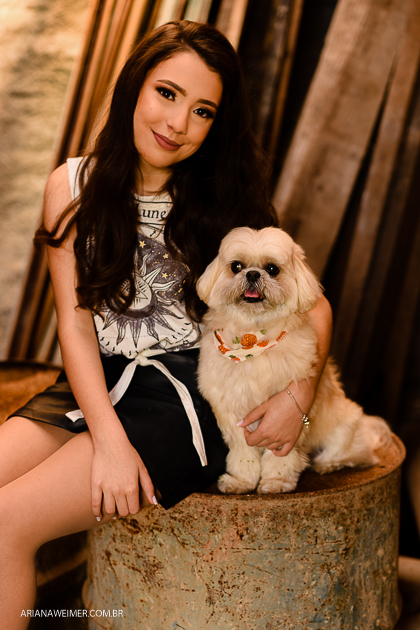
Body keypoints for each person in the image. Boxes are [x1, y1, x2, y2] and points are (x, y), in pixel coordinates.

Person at [0, 20, 332, 629]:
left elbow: (317, 309)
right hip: (96, 382)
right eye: (167, 93)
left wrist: (299, 397)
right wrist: (107, 439)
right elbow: (75, 325)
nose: (178, 123)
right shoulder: (70, 186)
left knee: (6, 524)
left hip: (189, 396)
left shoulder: (225, 203)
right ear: (135, 86)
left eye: (202, 111)